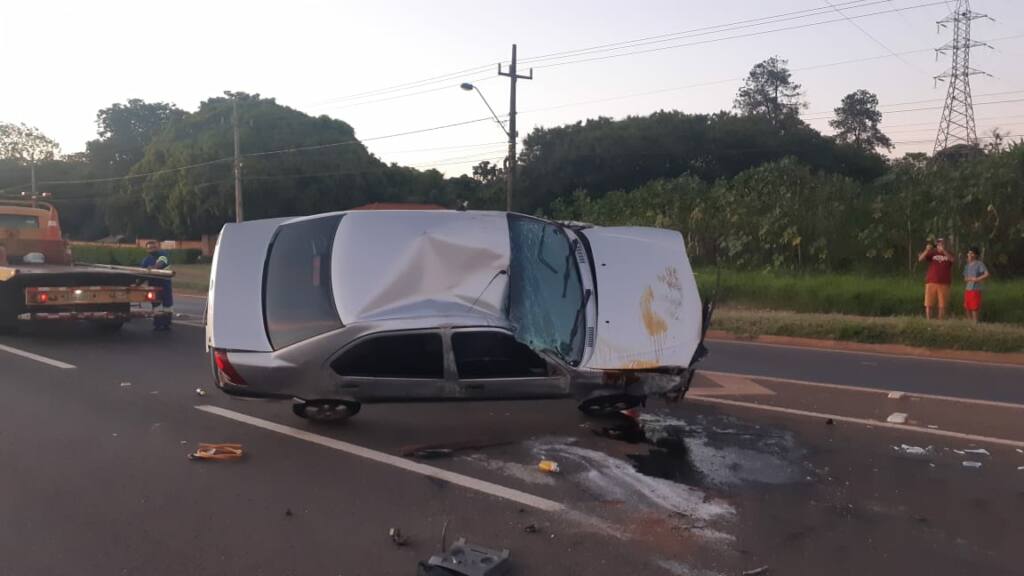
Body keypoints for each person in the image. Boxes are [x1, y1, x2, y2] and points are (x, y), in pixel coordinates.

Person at [918, 237, 954, 320]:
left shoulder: (949, 253)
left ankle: (940, 320)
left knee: (942, 304)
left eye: (942, 244)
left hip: (944, 282)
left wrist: (944, 251)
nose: (940, 245)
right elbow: (920, 259)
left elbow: (952, 260)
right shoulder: (932, 253)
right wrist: (927, 250)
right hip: (931, 281)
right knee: (928, 303)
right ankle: (928, 320)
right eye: (938, 244)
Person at [140, 240, 173, 331]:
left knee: (167, 305)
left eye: (154, 247)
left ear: (158, 247)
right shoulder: (146, 260)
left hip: (165, 284)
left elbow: (161, 263)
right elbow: (141, 274)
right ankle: (158, 324)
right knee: (156, 305)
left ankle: (166, 324)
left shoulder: (163, 254)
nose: (152, 249)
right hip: (154, 286)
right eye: (150, 248)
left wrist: (153, 268)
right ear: (147, 249)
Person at [963, 246, 990, 323]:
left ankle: (975, 322)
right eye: (969, 253)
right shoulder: (967, 265)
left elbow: (986, 274)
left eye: (971, 253)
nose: (969, 254)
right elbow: (965, 278)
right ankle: (970, 322)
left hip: (975, 289)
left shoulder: (979, 264)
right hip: (968, 289)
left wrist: (977, 279)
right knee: (967, 306)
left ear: (975, 255)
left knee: (974, 307)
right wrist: (970, 279)